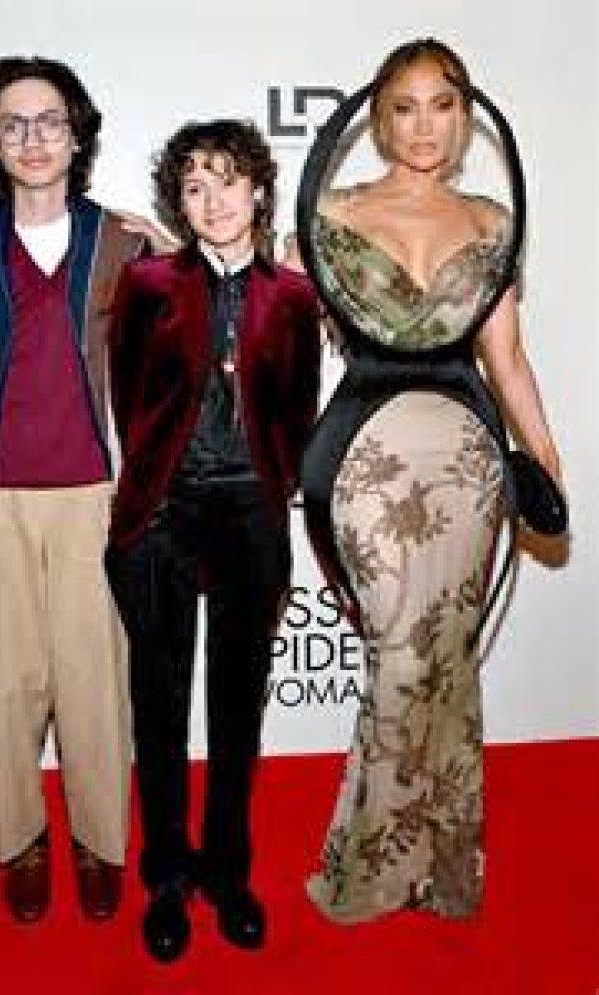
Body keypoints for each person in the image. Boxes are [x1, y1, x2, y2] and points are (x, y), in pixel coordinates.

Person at [291, 39, 563, 923]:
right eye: (403, 107)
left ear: (465, 117)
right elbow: (265, 328)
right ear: (378, 119)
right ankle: (372, 865)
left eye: (442, 106)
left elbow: (506, 358)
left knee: (446, 656)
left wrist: (546, 459)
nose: (424, 126)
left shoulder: (491, 221)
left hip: (469, 461)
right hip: (364, 457)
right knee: (403, 653)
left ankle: (439, 866)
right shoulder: (331, 212)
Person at [0, 55, 170, 924]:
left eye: (50, 121)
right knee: (2, 683)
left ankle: (99, 840)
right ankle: (19, 837)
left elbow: (182, 368)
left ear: (77, 135)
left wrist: (175, 257)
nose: (33, 139)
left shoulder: (126, 246)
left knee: (97, 680)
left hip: (98, 497)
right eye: (13, 125)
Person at [104, 119, 321, 961]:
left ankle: (229, 874)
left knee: (238, 708)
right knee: (158, 707)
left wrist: (267, 486)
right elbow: (129, 396)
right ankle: (166, 878)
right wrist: (156, 487)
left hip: (250, 517)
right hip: (162, 514)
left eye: (228, 181)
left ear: (259, 190)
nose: (213, 200)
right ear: (179, 203)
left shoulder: (294, 295)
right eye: (194, 186)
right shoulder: (148, 283)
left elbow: (298, 405)